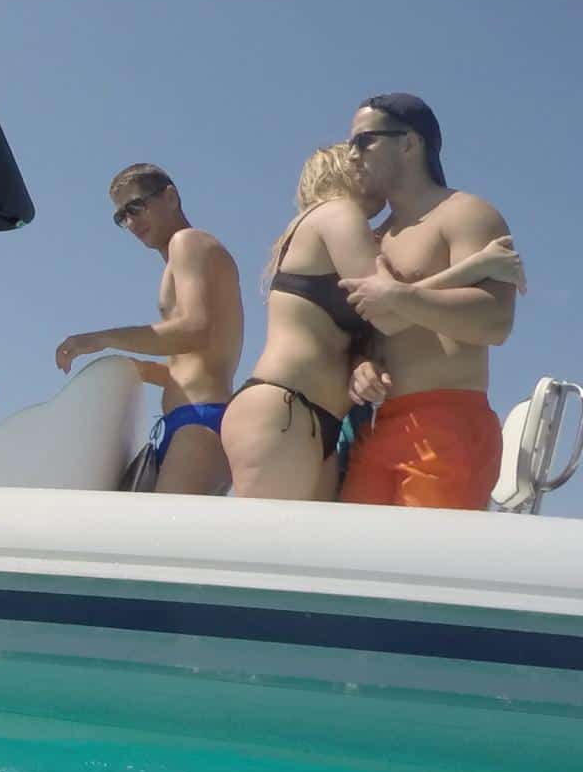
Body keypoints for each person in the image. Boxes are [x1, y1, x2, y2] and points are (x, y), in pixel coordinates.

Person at [224, 145, 528, 501]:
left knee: (309, 550)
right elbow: (388, 307)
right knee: (272, 548)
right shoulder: (338, 214)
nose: (373, 176)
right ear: (342, 174)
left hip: (311, 418)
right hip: (286, 409)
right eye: (361, 168)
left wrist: (364, 362)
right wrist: (473, 268)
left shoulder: (333, 231)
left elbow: (383, 304)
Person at [337, 94, 517, 509]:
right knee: (349, 566)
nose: (351, 156)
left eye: (364, 141)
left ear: (409, 144)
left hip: (448, 422)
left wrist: (400, 295)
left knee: (422, 568)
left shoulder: (466, 215)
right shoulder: (376, 236)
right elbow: (372, 328)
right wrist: (361, 366)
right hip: (378, 426)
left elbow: (494, 322)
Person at [55, 164, 244, 495]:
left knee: (165, 539)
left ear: (170, 197)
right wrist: (134, 369)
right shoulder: (179, 257)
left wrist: (101, 339)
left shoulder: (189, 242)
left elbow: (195, 330)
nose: (130, 222)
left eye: (135, 207)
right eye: (120, 217)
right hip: (190, 421)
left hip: (199, 422)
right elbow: (192, 364)